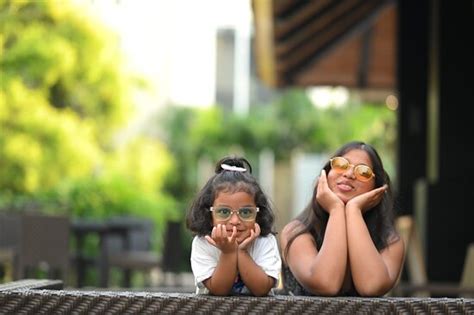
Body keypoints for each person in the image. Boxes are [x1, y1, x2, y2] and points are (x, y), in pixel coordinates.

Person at [280, 141, 404, 297]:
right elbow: (326, 283)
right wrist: (336, 209)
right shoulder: (297, 232)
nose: (349, 174)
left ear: (377, 187)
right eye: (340, 164)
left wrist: (353, 210)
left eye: (363, 172)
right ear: (325, 174)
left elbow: (371, 286)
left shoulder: (390, 241)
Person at [186, 155, 281, 296]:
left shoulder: (265, 242)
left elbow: (262, 289)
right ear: (210, 216)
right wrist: (228, 252)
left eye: (246, 212)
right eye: (224, 212)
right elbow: (218, 291)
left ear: (257, 214)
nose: (235, 221)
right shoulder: (203, 243)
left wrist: (241, 251)